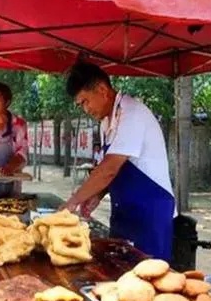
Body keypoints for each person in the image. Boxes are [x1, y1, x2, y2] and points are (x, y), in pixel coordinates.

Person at [60, 61, 176, 261]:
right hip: (124, 212)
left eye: (85, 101)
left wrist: (72, 202)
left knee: (149, 281)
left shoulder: (132, 114)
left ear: (102, 90)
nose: (85, 109)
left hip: (150, 215)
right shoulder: (106, 122)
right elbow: (116, 170)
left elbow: (109, 169)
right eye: (81, 105)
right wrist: (97, 194)